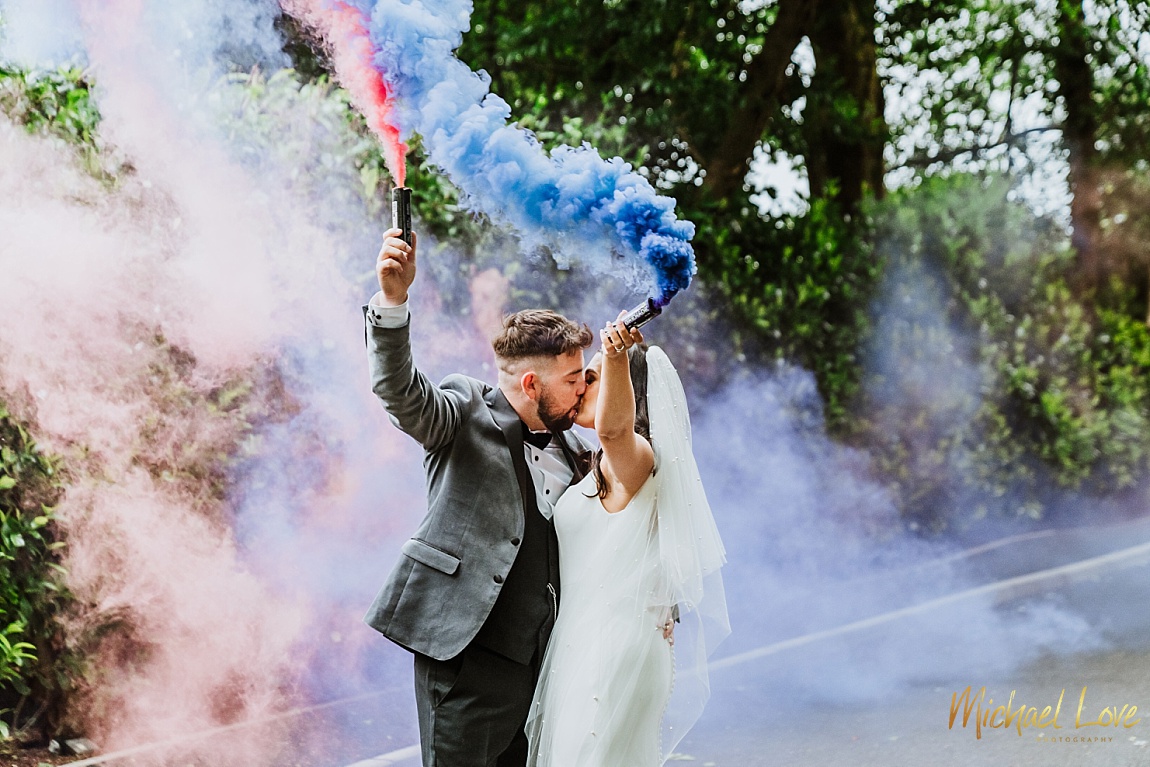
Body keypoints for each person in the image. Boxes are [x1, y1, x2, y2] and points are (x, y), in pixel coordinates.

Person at [362, 227, 597, 767]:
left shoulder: (579, 448)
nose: (583, 388)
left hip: (542, 668)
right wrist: (393, 302)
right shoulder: (464, 409)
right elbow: (401, 393)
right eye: (572, 379)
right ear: (532, 383)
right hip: (464, 652)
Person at [525, 317, 730, 767]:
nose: (580, 388)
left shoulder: (635, 458)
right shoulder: (597, 465)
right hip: (590, 644)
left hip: (612, 651)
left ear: (629, 390)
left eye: (592, 379)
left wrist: (614, 356)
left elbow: (615, 431)